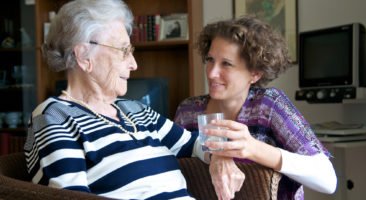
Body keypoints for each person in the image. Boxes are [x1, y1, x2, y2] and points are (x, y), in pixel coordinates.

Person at [23, 0, 243, 199]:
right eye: (123, 51)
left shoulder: (135, 110)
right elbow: (71, 197)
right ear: (83, 56)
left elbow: (197, 144)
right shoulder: (54, 116)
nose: (134, 64)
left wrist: (220, 158)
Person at [174, 15, 337, 200]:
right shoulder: (188, 111)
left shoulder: (269, 105)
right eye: (210, 60)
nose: (212, 73)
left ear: (255, 73)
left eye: (226, 63)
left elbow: (328, 180)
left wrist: (253, 148)